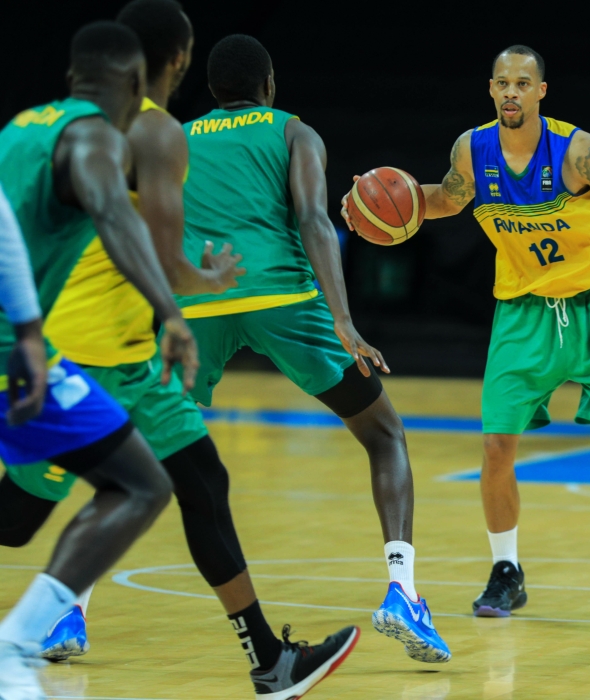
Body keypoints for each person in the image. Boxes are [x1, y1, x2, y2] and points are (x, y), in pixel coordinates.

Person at [0, 3, 361, 696]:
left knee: (192, 483)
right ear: (177, 60)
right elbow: (151, 251)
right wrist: (185, 297)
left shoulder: (30, 123)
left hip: (73, 338)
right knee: (120, 494)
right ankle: (24, 639)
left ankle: (268, 661)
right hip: (97, 349)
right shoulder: (154, 130)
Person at [342, 45, 590, 623]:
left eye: (523, 83)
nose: (511, 93)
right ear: (491, 90)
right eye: (502, 83)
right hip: (523, 313)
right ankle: (506, 572)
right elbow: (447, 198)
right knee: (497, 446)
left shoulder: (579, 152)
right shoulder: (471, 150)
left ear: (541, 91)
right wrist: (376, 205)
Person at [175, 33, 449, 663]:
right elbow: (312, 219)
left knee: (140, 460)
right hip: (284, 301)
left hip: (200, 303)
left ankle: (68, 610)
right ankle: (402, 593)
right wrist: (345, 323)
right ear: (268, 85)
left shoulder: (178, 139)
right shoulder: (294, 131)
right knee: (384, 436)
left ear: (211, 91)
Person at [0, 22, 191, 700]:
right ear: (139, 87)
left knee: (15, 517)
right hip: (12, 349)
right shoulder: (96, 137)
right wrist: (170, 311)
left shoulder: (20, 128)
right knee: (141, 485)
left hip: (25, 341)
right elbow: (116, 214)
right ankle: (15, 643)